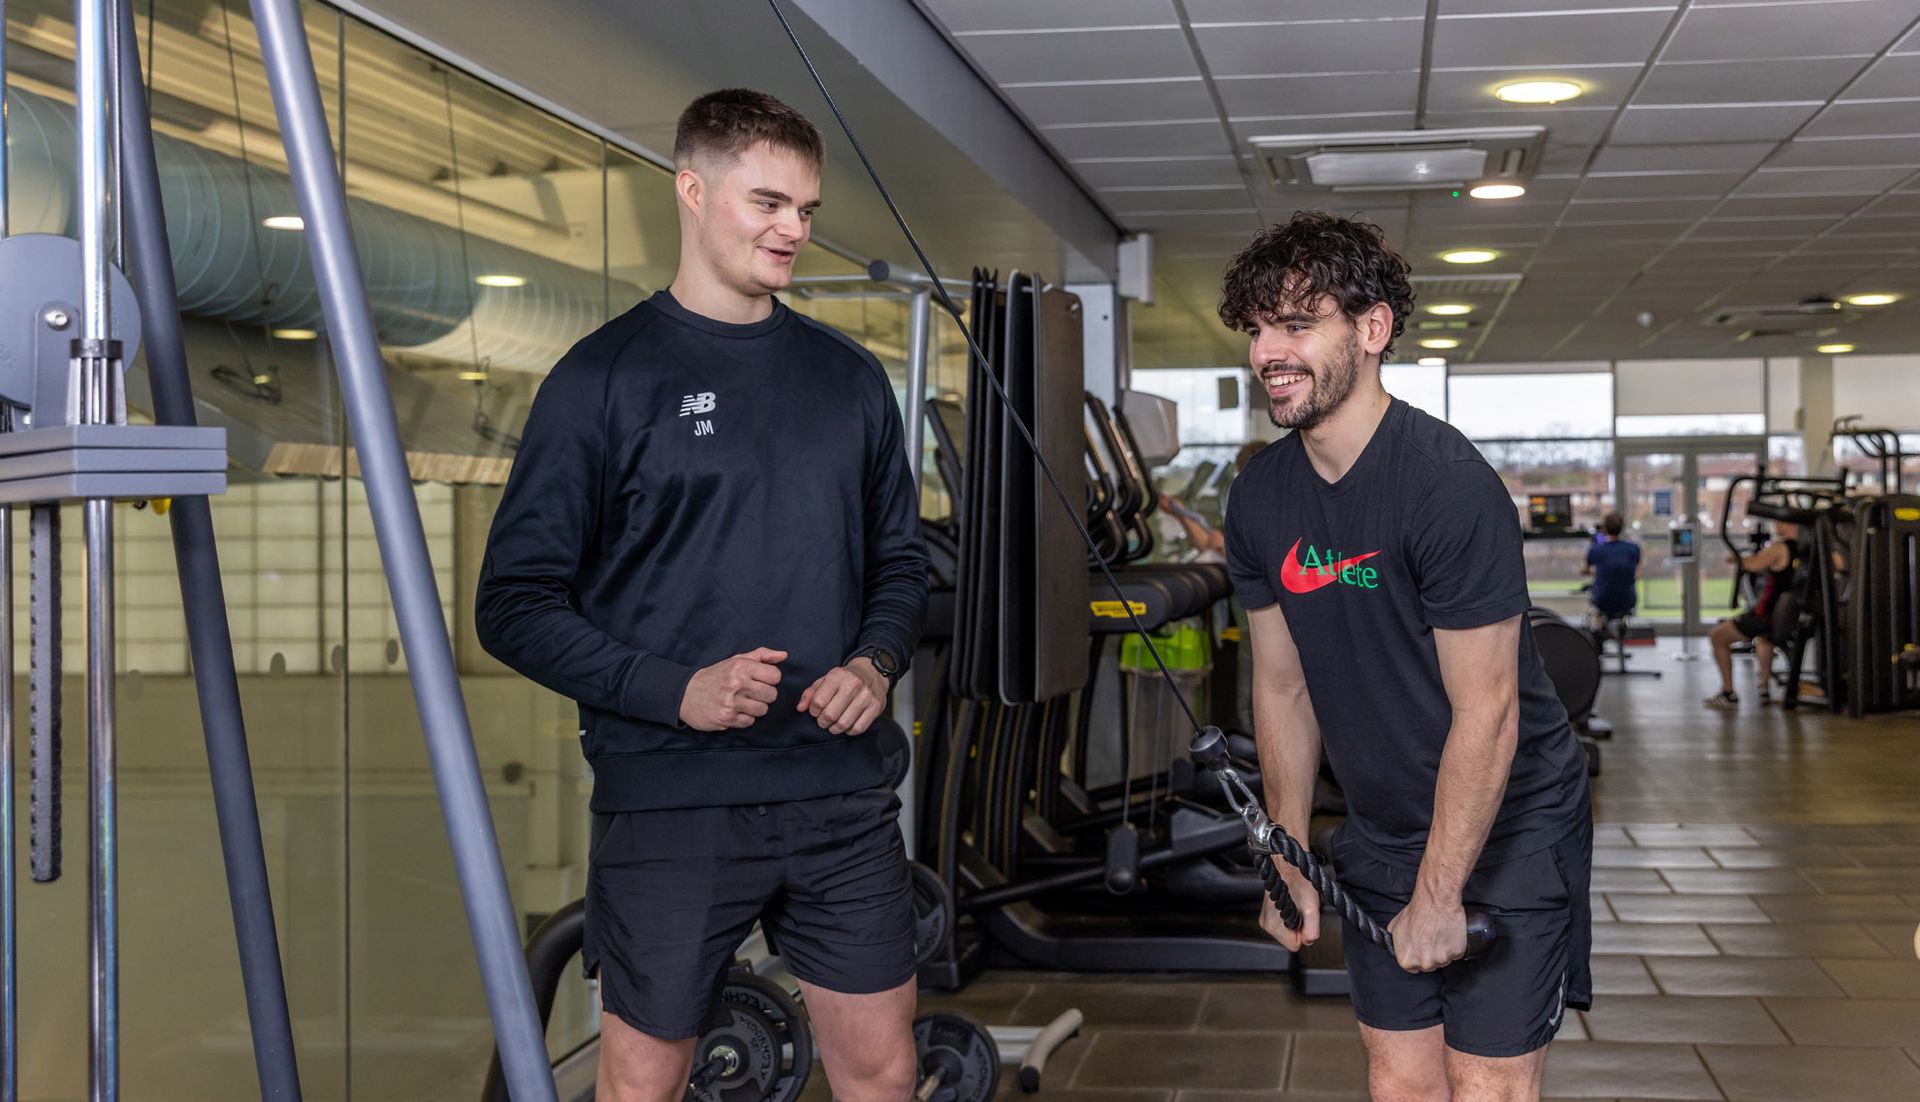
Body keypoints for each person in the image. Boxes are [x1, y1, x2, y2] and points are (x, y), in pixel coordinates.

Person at [473, 89, 929, 1102]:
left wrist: (875, 661)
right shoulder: (601, 380)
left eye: (807, 210)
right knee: (642, 1080)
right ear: (691, 188)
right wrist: (668, 688)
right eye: (769, 202)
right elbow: (511, 602)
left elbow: (901, 564)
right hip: (671, 800)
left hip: (838, 791)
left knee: (884, 1067)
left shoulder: (849, 380)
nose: (793, 229)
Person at [1219, 211, 1592, 1102]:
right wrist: (1286, 853)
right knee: (1400, 1082)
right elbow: (1282, 685)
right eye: (1260, 327)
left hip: (1506, 824)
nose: (1270, 349)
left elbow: (1489, 715)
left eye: (1298, 323)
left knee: (1487, 1087)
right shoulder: (1262, 496)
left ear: (1373, 329)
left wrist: (1440, 891)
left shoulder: (1446, 487)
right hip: (1383, 826)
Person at [1704, 520, 1799, 709]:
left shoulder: (1779, 547)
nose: (1774, 525)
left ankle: (1728, 693)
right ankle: (1763, 687)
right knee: (1765, 639)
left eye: (1777, 521)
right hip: (1785, 615)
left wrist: (1736, 559)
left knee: (1717, 636)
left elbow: (1755, 565)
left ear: (1788, 523)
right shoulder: (1809, 549)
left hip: (1766, 615)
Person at [1582, 513, 1641, 634]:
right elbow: (1635, 571)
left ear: (1605, 528)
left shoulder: (1596, 549)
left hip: (1603, 599)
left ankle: (1598, 635)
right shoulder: (1633, 548)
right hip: (1627, 599)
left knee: (1595, 603)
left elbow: (1585, 570)